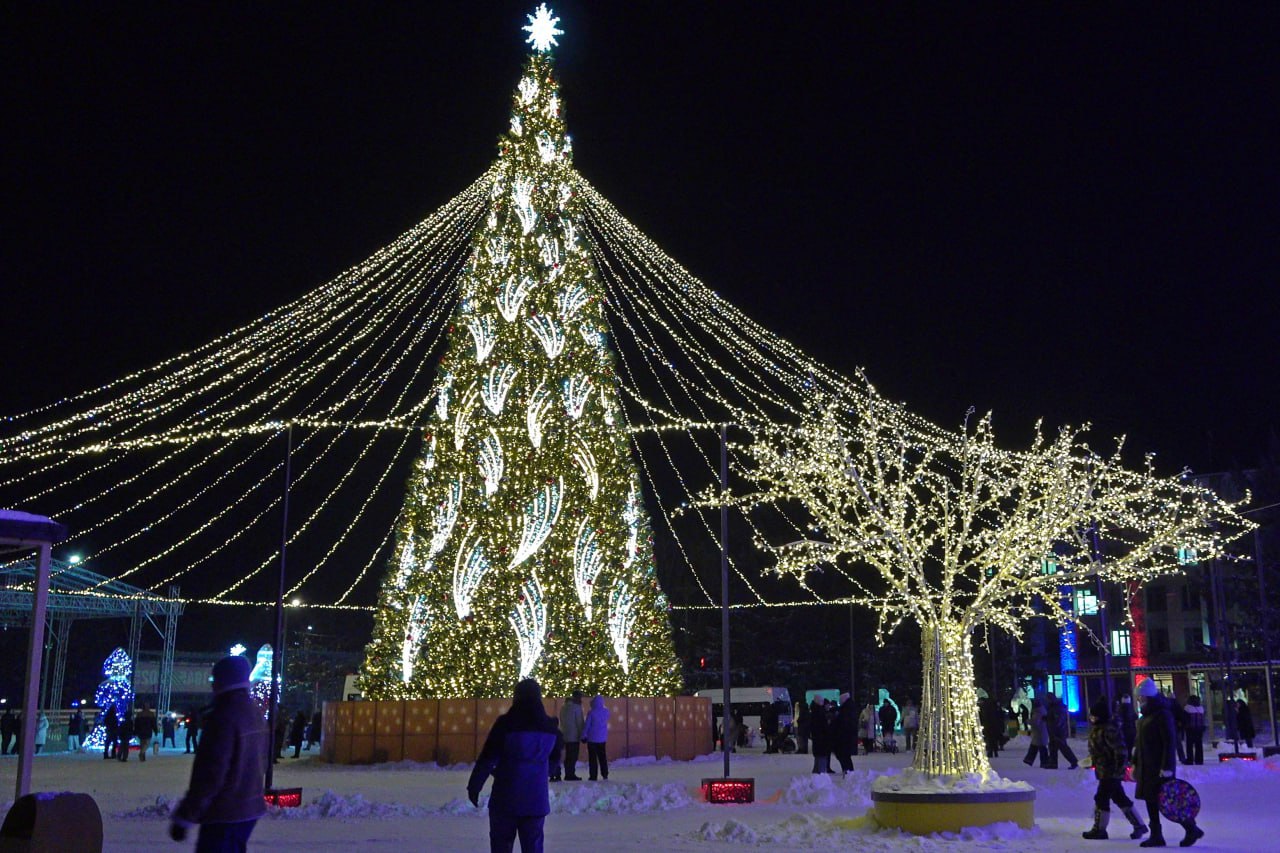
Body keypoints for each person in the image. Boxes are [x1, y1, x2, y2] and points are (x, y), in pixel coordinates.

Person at [170, 654, 269, 853]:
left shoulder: (224, 716)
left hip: (225, 811)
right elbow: (261, 761)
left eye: (214, 680)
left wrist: (186, 816)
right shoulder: (254, 713)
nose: (212, 686)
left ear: (224, 681)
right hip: (248, 808)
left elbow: (211, 773)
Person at [467, 678, 562, 853]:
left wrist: (474, 785)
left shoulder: (505, 724)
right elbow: (554, 763)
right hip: (536, 799)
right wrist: (540, 772)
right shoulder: (551, 728)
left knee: (501, 845)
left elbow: (488, 758)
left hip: (505, 798)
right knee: (533, 846)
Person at [1133, 678, 1202, 847]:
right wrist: (1135, 762)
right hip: (1147, 766)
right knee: (1153, 800)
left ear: (1147, 697)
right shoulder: (1146, 715)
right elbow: (1139, 742)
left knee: (1167, 800)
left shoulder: (1161, 715)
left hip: (1157, 766)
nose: (1138, 700)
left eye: (1140, 697)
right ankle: (1158, 834)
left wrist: (1167, 767)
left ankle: (1190, 828)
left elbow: (1169, 742)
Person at [1082, 698, 1148, 841]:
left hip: (1110, 771)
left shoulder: (1108, 729)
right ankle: (1139, 825)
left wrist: (1118, 767)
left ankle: (1099, 829)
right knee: (1119, 797)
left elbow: (1120, 750)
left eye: (1094, 715)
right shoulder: (1099, 728)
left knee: (1101, 797)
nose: (1091, 718)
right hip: (1105, 769)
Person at [1046, 693, 1079, 769]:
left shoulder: (1056, 707)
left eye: (1048, 699)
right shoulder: (1053, 707)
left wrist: (1055, 729)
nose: (1047, 701)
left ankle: (1074, 761)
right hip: (1054, 731)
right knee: (1053, 747)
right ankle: (1053, 763)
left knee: (1063, 748)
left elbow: (1058, 720)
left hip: (1058, 731)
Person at [557, 691, 585, 781]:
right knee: (572, 756)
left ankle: (568, 773)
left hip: (565, 734)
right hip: (574, 736)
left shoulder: (563, 707)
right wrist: (583, 735)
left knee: (568, 755)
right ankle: (570, 774)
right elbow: (579, 723)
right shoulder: (577, 708)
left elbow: (561, 720)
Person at [583, 694, 610, 781]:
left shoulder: (591, 712)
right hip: (602, 738)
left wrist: (583, 735)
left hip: (592, 739)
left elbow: (587, 725)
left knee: (592, 758)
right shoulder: (606, 712)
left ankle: (593, 775)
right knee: (603, 757)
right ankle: (605, 774)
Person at [833, 694, 857, 775]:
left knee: (843, 755)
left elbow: (843, 723)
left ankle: (847, 770)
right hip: (846, 737)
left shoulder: (845, 710)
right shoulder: (849, 708)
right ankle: (848, 770)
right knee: (845, 756)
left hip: (844, 737)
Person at [1023, 697, 1050, 767]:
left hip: (1039, 733)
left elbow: (1035, 722)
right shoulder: (1042, 710)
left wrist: (1028, 721)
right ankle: (1030, 760)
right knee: (1037, 746)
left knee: (1040, 747)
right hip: (1041, 732)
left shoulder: (1038, 712)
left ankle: (1043, 762)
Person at [808, 698, 830, 773]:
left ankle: (817, 773)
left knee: (818, 757)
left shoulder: (814, 712)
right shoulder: (820, 713)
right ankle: (821, 775)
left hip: (817, 739)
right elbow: (823, 727)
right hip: (821, 739)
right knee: (821, 757)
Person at [980, 693, 1003, 758]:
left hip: (988, 725)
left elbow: (984, 717)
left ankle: (991, 752)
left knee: (990, 739)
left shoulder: (986, 709)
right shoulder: (995, 709)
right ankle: (995, 751)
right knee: (993, 739)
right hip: (994, 725)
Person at [1183, 695, 1205, 765]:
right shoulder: (1201, 709)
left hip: (1190, 729)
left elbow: (1184, 718)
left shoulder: (1187, 708)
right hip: (1199, 729)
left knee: (1189, 745)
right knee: (1199, 745)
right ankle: (1199, 760)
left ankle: (1190, 760)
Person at [1116, 694, 1138, 762]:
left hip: (1123, 730)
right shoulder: (1130, 708)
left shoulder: (1119, 709)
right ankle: (1130, 759)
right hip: (1131, 729)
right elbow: (1135, 716)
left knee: (1124, 746)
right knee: (1130, 745)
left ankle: (1125, 760)